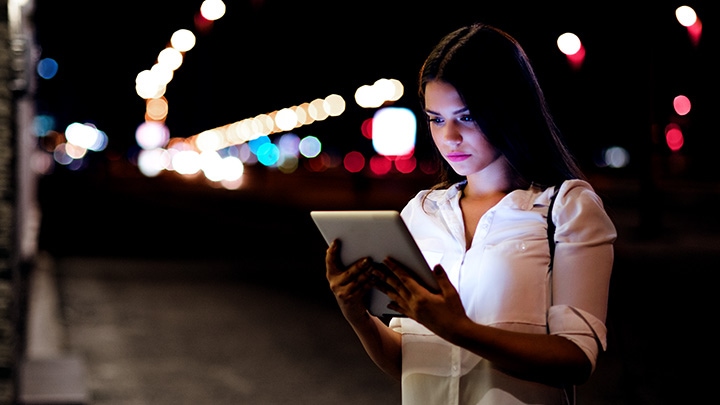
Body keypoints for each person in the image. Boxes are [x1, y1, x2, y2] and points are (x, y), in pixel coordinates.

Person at [324, 23, 616, 405]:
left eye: (467, 116)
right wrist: (358, 315)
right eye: (436, 119)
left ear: (509, 109)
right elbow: (407, 361)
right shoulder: (422, 212)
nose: (449, 138)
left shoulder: (566, 208)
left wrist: (458, 329)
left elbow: (576, 360)